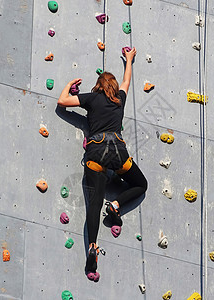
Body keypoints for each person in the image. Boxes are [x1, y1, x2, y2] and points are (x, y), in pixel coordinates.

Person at [57, 47, 147, 280]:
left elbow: (62, 102)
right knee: (141, 184)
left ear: (98, 86)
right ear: (113, 87)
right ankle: (116, 206)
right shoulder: (119, 99)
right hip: (117, 153)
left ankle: (92, 247)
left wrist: (69, 84)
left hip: (96, 153)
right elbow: (127, 80)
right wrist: (128, 59)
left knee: (94, 205)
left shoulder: (92, 98)